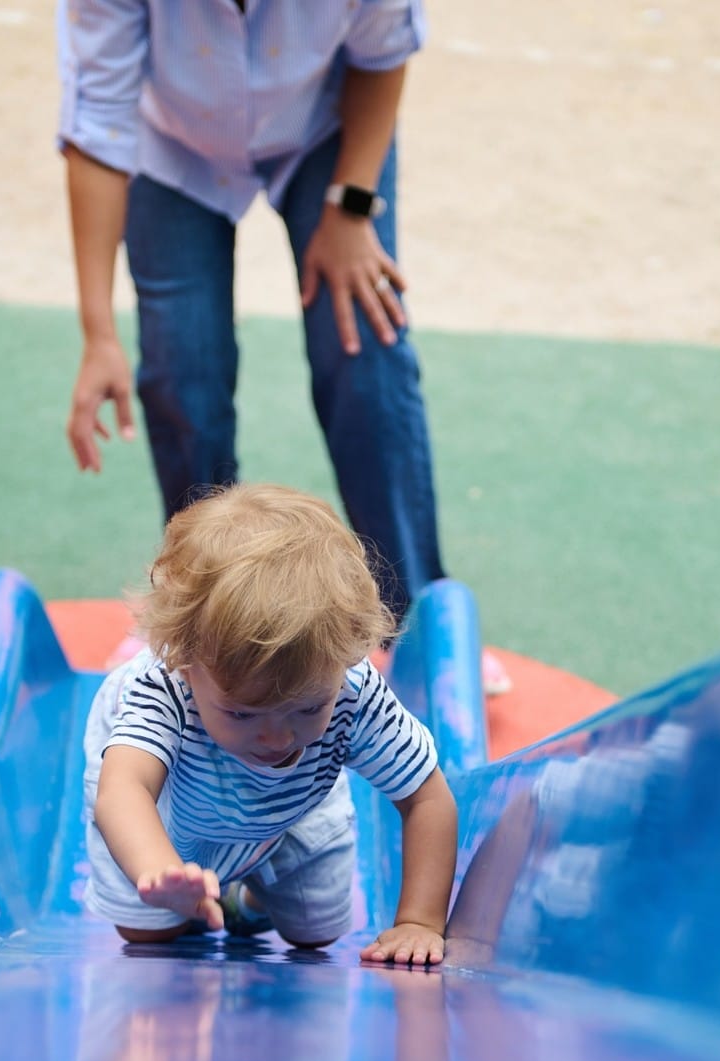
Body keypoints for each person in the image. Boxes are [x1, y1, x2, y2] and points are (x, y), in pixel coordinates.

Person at [56, 1, 462, 637]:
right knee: (181, 369)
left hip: (324, 130)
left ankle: (414, 620)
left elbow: (382, 54)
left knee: (365, 348)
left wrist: (351, 208)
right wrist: (98, 333)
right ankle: (202, 618)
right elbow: (99, 128)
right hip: (170, 143)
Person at [81, 483, 458, 966]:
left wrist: (419, 921)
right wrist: (160, 871)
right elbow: (123, 790)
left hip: (292, 808)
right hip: (176, 812)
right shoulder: (163, 686)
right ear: (185, 661)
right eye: (242, 713)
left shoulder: (349, 687)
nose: (278, 737)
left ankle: (251, 897)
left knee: (314, 934)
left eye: (306, 709)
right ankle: (199, 888)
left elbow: (427, 796)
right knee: (148, 933)